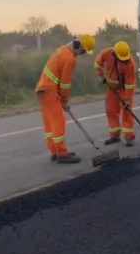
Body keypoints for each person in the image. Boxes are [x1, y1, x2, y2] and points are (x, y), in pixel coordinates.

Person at [34, 34, 96, 164]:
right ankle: (62, 154)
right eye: (83, 51)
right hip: (50, 90)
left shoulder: (62, 50)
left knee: (49, 122)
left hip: (42, 89)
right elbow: (65, 83)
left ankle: (54, 151)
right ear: (78, 46)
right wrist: (65, 100)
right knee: (58, 121)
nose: (82, 54)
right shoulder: (69, 59)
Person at [94, 41, 139, 146]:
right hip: (111, 88)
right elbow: (97, 64)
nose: (123, 61)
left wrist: (127, 99)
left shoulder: (130, 63)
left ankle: (129, 136)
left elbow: (130, 83)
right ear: (114, 53)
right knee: (111, 110)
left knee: (127, 111)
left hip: (124, 89)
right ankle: (115, 135)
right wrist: (100, 75)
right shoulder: (106, 53)